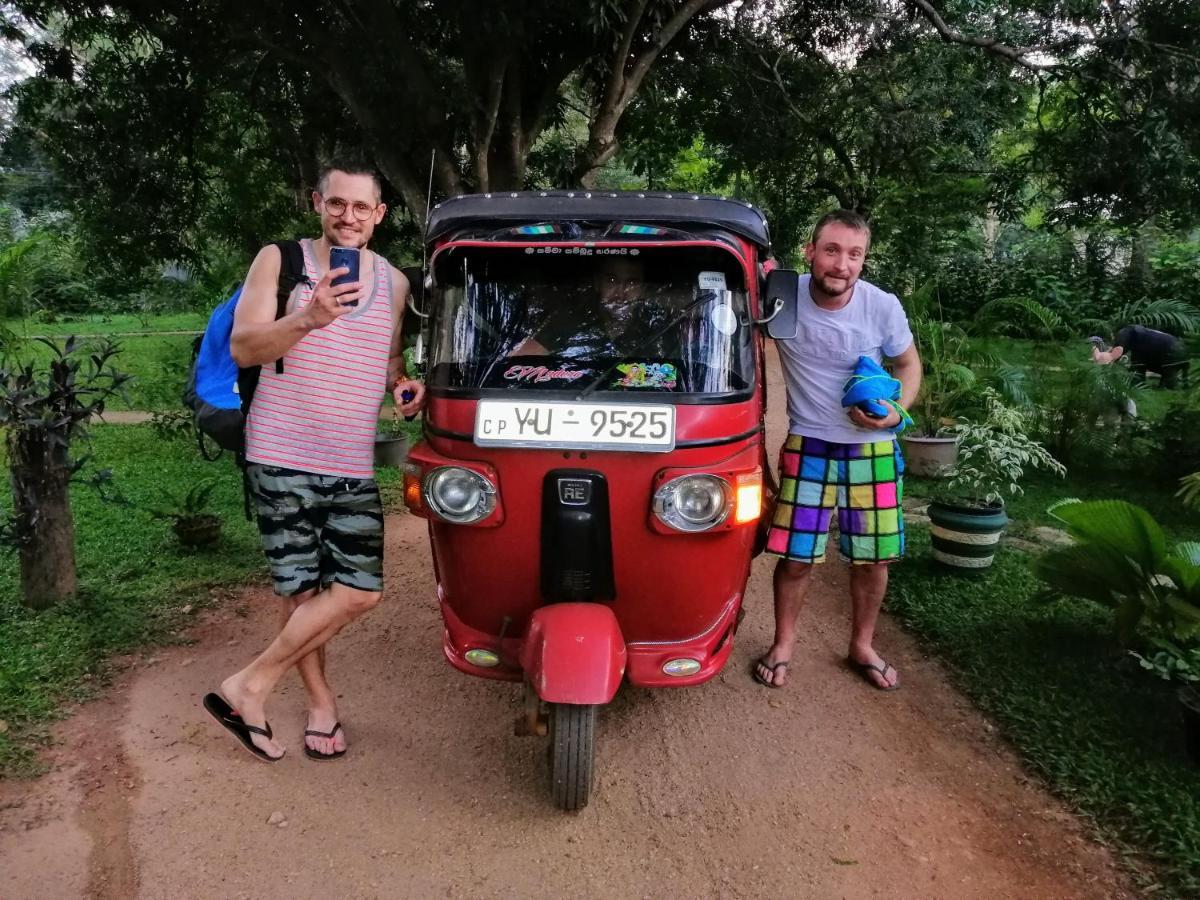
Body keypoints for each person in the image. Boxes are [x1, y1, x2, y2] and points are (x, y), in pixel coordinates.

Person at [202, 162, 426, 762]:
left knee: (359, 590)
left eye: (360, 207)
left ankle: (249, 684)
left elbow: (388, 359)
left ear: (379, 214)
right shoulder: (280, 261)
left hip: (350, 459)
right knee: (302, 592)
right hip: (279, 453)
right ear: (317, 204)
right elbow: (245, 345)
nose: (347, 217)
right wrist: (308, 317)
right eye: (336, 204)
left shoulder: (396, 284)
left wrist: (403, 385)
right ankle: (321, 704)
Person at [754, 210, 921, 691]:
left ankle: (861, 645)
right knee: (796, 555)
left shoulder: (882, 306)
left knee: (874, 558)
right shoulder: (783, 298)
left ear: (863, 260)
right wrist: (762, 272)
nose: (841, 264)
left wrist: (896, 413)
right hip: (809, 443)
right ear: (811, 252)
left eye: (854, 254)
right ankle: (784, 643)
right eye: (831, 250)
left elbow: (910, 365)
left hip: (873, 449)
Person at [1090, 325, 1190, 389]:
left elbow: (1138, 369)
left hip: (1170, 354)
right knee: (1167, 376)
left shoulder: (1140, 344)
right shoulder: (1143, 337)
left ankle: (1171, 385)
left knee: (1170, 381)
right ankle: (1175, 384)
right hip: (1179, 350)